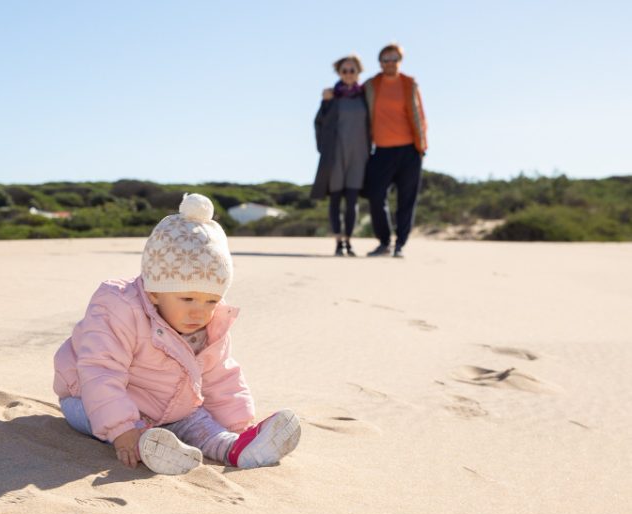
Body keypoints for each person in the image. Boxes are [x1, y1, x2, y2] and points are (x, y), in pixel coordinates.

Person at [53, 193, 302, 475]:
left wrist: (238, 424)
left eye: (211, 301)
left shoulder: (210, 324)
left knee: (203, 425)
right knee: (113, 421)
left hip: (173, 409)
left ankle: (239, 448)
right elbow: (101, 370)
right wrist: (121, 429)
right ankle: (147, 445)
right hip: (91, 398)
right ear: (155, 291)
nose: (200, 312)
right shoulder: (119, 308)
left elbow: (221, 377)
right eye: (187, 299)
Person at [363, 43, 428, 258]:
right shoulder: (371, 85)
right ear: (379, 62)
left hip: (409, 149)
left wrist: (422, 146)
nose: (389, 63)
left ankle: (400, 244)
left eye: (393, 58)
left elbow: (420, 116)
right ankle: (384, 242)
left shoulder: (410, 84)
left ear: (400, 60)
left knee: (407, 199)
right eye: (385, 59)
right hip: (381, 150)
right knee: (376, 195)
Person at [311, 54, 371, 257]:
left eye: (352, 70)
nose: (348, 74)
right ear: (339, 73)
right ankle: (338, 242)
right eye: (344, 71)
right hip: (336, 155)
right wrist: (323, 149)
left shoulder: (365, 96)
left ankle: (349, 240)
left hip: (359, 154)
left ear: (358, 72)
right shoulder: (331, 98)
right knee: (335, 199)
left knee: (352, 200)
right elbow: (319, 123)